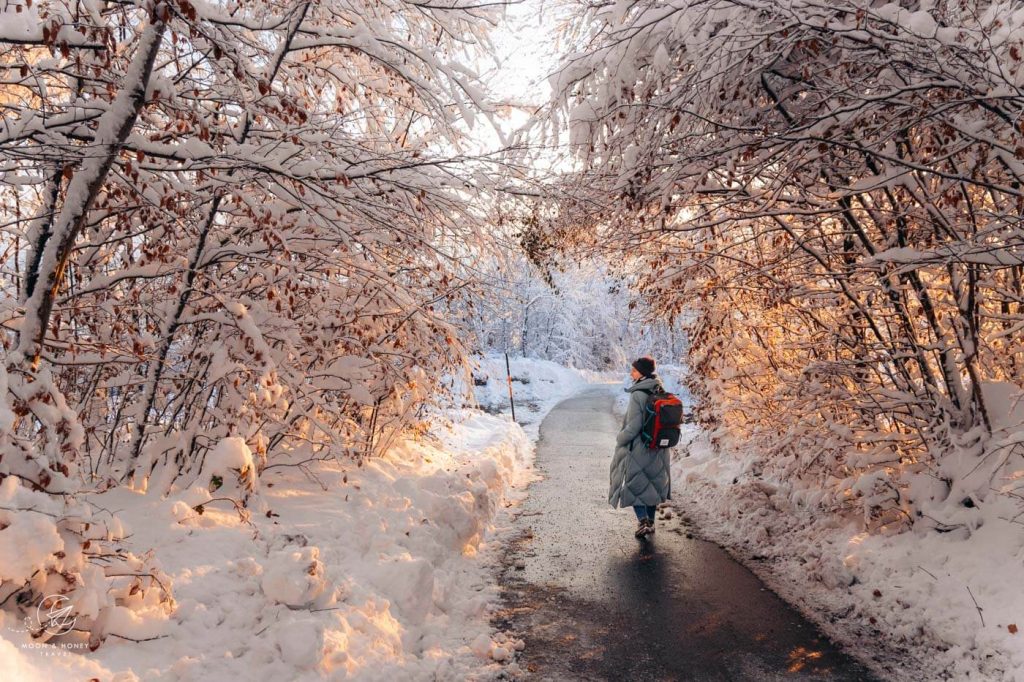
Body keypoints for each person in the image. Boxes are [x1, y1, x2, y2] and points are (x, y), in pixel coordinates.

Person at [609, 356, 672, 538]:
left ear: (642, 372)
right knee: (651, 486)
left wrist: (621, 438)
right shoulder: (659, 388)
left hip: (640, 448)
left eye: (634, 370)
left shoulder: (638, 394)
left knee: (634, 485)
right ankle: (650, 523)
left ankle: (643, 520)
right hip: (658, 447)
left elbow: (634, 425)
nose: (631, 373)